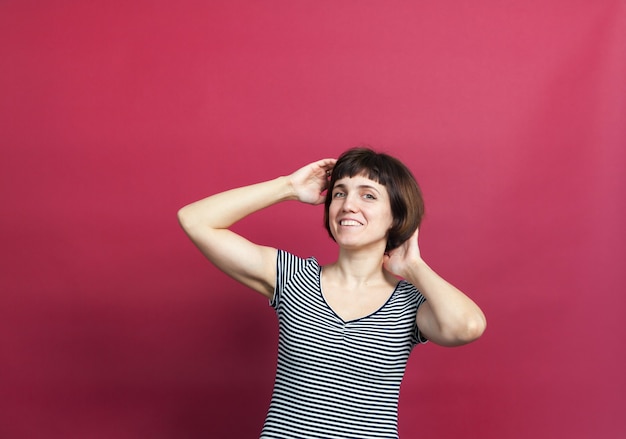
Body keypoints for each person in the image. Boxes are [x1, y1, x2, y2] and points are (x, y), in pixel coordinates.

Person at [177, 147, 486, 438]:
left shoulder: (411, 303)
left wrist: (414, 266)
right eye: (339, 193)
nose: (348, 204)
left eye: (368, 195)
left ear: (397, 215)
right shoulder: (293, 277)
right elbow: (195, 220)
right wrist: (287, 187)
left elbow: (467, 326)